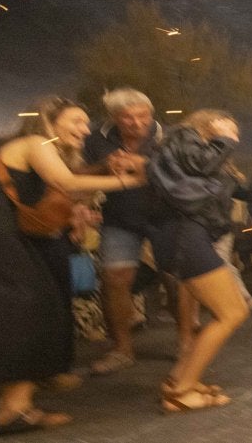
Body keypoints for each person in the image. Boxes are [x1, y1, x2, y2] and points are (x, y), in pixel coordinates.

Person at [0, 98, 144, 432]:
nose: (85, 130)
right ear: (49, 121)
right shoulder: (35, 142)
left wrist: (103, 168)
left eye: (86, 123)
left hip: (5, 237)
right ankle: (9, 407)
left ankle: (14, 405)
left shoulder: (44, 150)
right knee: (25, 310)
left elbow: (71, 177)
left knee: (35, 309)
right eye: (77, 121)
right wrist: (136, 180)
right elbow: (67, 183)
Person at [147, 109, 252, 412]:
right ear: (208, 123)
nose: (235, 134)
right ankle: (182, 392)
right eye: (230, 126)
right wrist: (223, 139)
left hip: (190, 234)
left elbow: (248, 190)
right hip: (184, 233)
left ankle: (179, 380)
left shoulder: (208, 160)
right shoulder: (183, 139)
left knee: (228, 311)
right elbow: (200, 162)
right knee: (232, 312)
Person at [82, 88, 168, 376]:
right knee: (114, 279)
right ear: (114, 118)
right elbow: (78, 175)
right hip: (119, 219)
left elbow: (182, 175)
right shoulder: (96, 139)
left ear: (151, 114)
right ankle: (122, 349)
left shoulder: (166, 137)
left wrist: (145, 165)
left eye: (142, 115)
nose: (135, 122)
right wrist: (104, 166)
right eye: (127, 117)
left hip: (164, 218)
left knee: (177, 278)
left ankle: (189, 341)